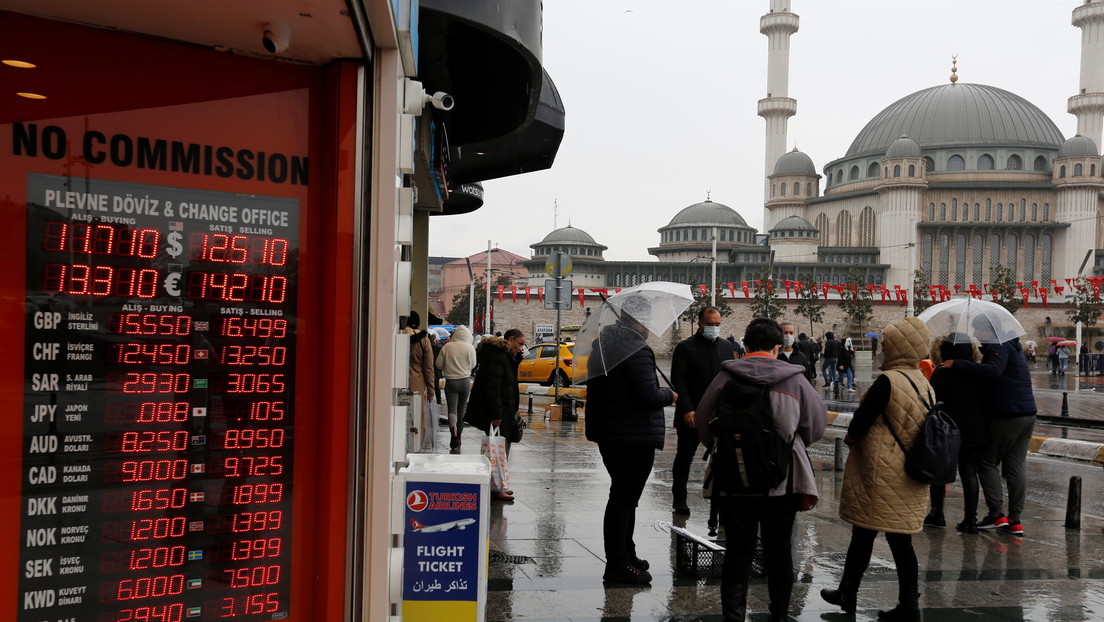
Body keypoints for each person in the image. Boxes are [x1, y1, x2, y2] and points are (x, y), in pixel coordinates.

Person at [696, 318, 827, 622]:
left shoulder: (725, 378)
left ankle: (733, 615)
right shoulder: (795, 381)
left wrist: (725, 446)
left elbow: (703, 422)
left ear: (745, 346)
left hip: (733, 476)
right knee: (779, 550)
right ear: (779, 347)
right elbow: (816, 426)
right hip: (781, 482)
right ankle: (778, 615)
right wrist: (788, 444)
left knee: (737, 550)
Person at [821, 317, 932, 622]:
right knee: (894, 538)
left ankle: (894, 603)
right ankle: (856, 592)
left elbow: (862, 420)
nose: (882, 346)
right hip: (910, 470)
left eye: (886, 342)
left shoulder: (889, 381)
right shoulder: (924, 380)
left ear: (897, 346)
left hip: (883, 470)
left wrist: (851, 437)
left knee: (869, 535)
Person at [585, 296, 677, 585]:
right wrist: (670, 395)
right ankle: (616, 564)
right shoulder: (636, 349)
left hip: (610, 433)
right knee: (624, 499)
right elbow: (648, 396)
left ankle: (627, 553)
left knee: (625, 498)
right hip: (633, 435)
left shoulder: (603, 345)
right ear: (642, 320)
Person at [939, 318, 1036, 537]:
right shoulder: (1012, 345)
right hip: (1027, 413)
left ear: (987, 329)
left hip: (1007, 413)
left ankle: (997, 515)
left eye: (976, 328)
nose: (974, 332)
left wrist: (957, 363)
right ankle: (1015, 520)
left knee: (986, 463)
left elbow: (993, 371)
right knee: (1015, 466)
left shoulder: (998, 346)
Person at [670, 306, 735, 516]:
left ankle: (722, 500)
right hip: (692, 414)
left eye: (717, 325)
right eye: (709, 324)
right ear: (699, 323)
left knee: (724, 460)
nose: (714, 328)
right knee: (684, 458)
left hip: (720, 414)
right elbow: (678, 381)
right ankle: (680, 498)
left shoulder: (727, 347)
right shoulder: (685, 348)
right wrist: (687, 409)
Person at [925, 334, 987, 533]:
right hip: (974, 429)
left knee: (939, 472)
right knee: (969, 472)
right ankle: (970, 519)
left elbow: (935, 402)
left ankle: (937, 513)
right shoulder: (978, 372)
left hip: (947, 430)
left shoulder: (941, 373)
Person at [465, 328, 527, 501]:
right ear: (511, 339)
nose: (522, 348)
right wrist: (496, 414)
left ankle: (499, 485)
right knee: (497, 452)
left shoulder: (505, 356)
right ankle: (495, 487)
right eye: (520, 344)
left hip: (504, 409)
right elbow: (493, 387)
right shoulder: (498, 356)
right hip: (498, 411)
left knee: (501, 450)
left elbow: (508, 381)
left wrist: (517, 361)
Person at [436, 325, 477, 454]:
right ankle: (459, 436)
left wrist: (448, 368)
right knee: (462, 409)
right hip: (465, 381)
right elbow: (473, 364)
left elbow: (438, 364)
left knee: (452, 410)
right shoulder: (470, 347)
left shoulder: (447, 347)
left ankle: (452, 432)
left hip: (450, 382)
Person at [403, 311, 436, 408]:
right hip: (417, 382)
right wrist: (431, 391)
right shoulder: (424, 340)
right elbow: (428, 368)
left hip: (398, 380)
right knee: (416, 416)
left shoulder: (399, 336)